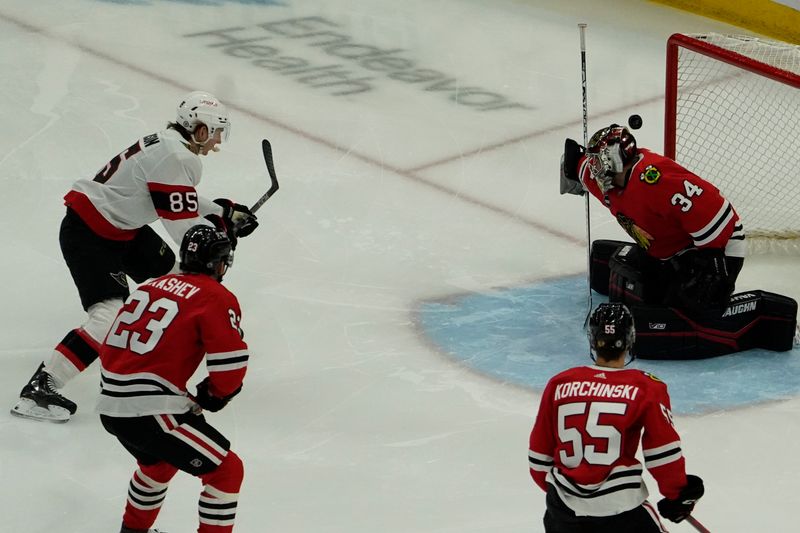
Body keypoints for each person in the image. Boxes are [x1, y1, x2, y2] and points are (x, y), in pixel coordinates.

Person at [11, 91, 258, 423]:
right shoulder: (178, 156)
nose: (216, 142)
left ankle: (162, 340)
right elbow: (185, 230)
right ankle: (40, 388)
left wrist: (223, 211)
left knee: (180, 278)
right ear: (198, 129)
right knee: (109, 317)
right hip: (91, 235)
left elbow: (173, 195)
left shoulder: (170, 145)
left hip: (121, 228)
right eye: (214, 133)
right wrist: (217, 239)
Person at [98, 224, 248, 533]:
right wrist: (214, 394)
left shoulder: (152, 286)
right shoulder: (215, 296)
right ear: (218, 262)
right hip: (150, 409)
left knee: (157, 465)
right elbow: (230, 366)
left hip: (110, 404)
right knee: (226, 471)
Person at [528, 303, 705, 532]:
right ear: (630, 338)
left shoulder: (560, 383)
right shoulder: (646, 387)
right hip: (620, 513)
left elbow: (539, 458)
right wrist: (677, 495)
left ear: (593, 339)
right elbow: (662, 454)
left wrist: (572, 500)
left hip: (562, 511)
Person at [560, 124, 745, 312]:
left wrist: (715, 267)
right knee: (653, 298)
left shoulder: (656, 183)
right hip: (667, 249)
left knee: (686, 310)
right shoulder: (608, 181)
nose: (593, 168)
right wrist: (572, 163)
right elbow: (576, 161)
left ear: (613, 160)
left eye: (597, 162)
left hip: (715, 247)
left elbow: (716, 213)